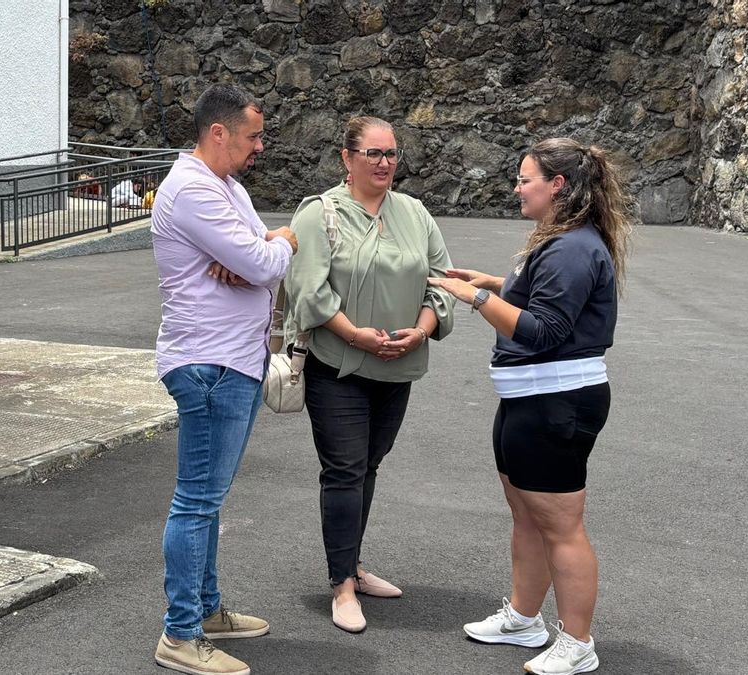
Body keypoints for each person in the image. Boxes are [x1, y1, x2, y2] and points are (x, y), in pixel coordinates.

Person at [427, 137, 633, 675]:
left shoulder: (571, 248)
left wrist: (477, 299)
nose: (517, 188)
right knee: (527, 513)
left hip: (556, 401)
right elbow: (545, 296)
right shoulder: (562, 241)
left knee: (561, 526)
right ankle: (523, 619)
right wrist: (495, 283)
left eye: (525, 180)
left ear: (557, 185)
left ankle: (578, 643)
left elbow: (544, 330)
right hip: (529, 399)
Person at [282, 116, 456, 633]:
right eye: (373, 153)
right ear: (347, 158)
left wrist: (420, 331)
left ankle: (352, 565)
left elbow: (442, 282)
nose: (384, 163)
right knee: (344, 469)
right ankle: (341, 585)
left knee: (369, 464)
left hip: (397, 364)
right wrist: (357, 335)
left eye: (391, 154)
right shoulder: (319, 213)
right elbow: (308, 292)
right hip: (337, 366)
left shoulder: (415, 213)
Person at [150, 82, 298, 675]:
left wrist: (263, 253)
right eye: (252, 136)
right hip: (210, 364)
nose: (260, 147)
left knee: (207, 500)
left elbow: (258, 258)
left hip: (231, 360)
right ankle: (180, 633)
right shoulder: (192, 189)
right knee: (196, 501)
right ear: (219, 132)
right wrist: (278, 245)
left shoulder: (226, 186)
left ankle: (205, 611)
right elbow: (263, 260)